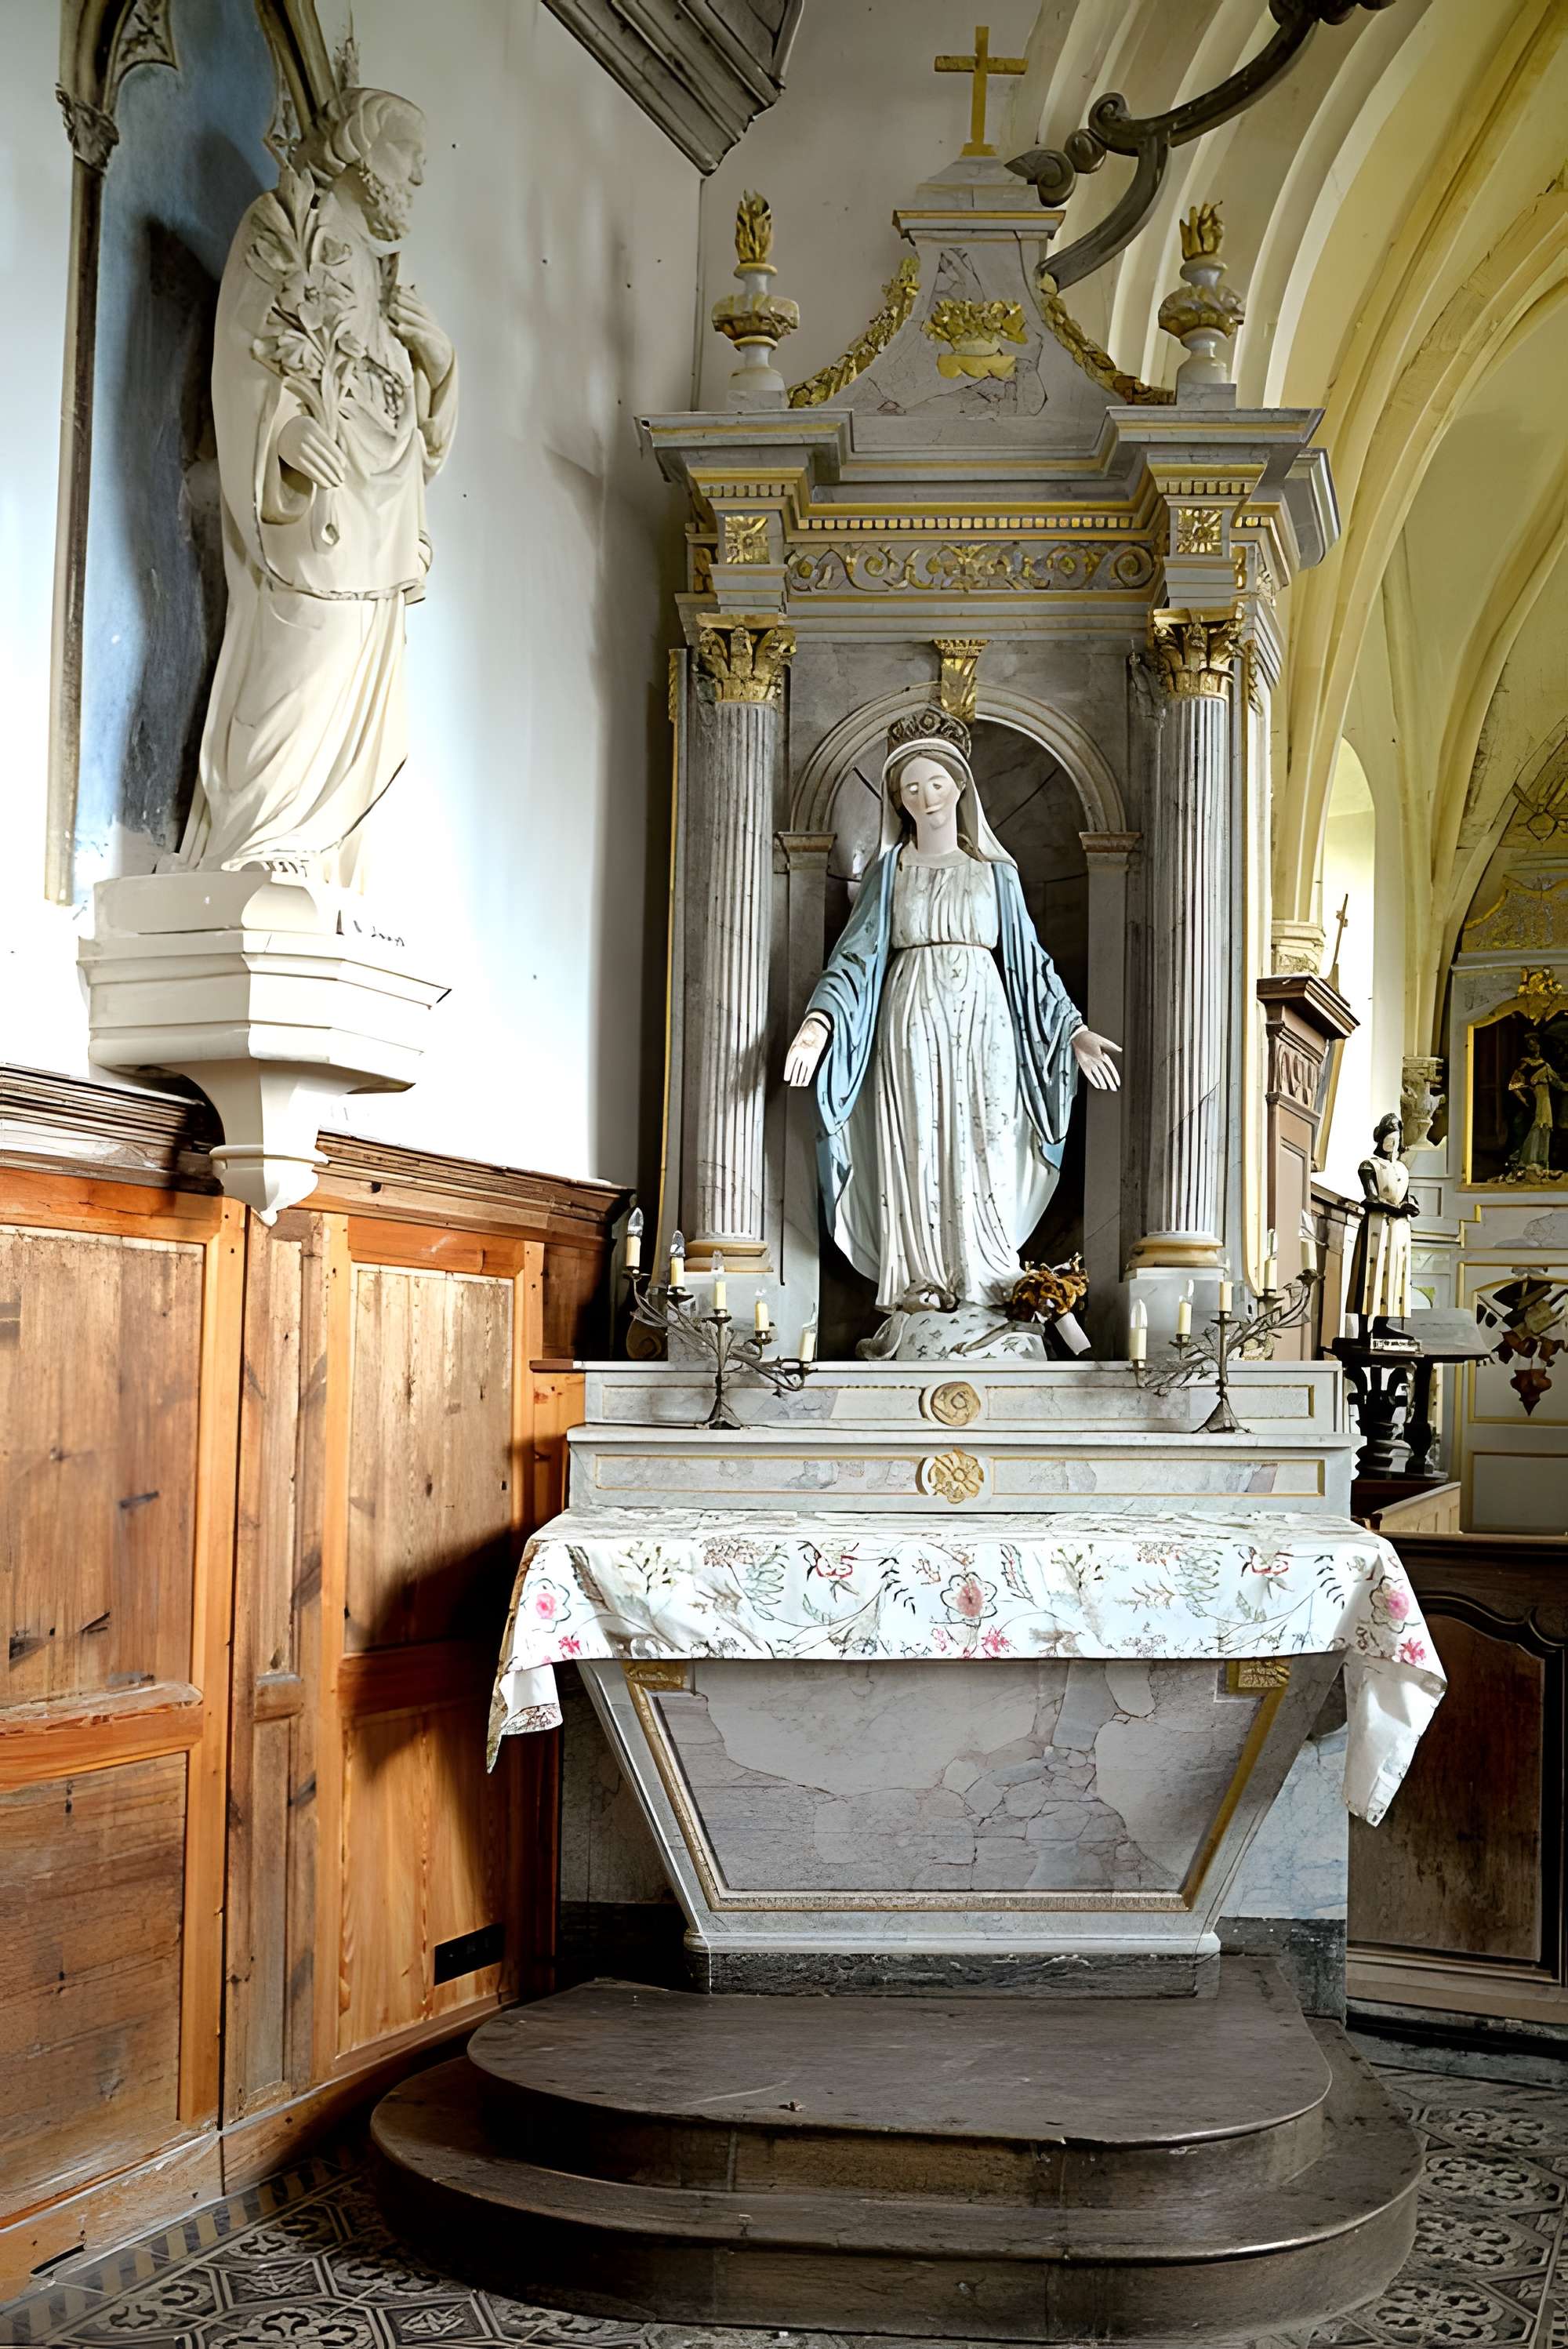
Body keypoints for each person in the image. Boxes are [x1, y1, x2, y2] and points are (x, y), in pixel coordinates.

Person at [176, 87, 458, 883]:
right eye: (410, 157)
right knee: (305, 651)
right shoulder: (282, 229)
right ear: (364, 151)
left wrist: (440, 366)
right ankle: (259, 836)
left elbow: (413, 434)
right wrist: (282, 431)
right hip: (315, 513)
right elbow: (242, 354)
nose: (419, 176)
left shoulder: (385, 276)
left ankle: (322, 856)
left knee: (360, 682)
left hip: (382, 519)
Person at [783, 708, 1120, 1347]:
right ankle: (922, 1281)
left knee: (986, 1136)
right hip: (910, 1016)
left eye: (936, 782)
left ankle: (985, 1275)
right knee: (917, 1138)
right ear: (897, 800)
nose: (925, 797)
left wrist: (1073, 1031)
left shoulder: (996, 874)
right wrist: (818, 1027)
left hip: (986, 1026)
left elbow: (1031, 966)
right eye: (911, 788)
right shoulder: (889, 873)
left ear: (960, 786)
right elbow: (853, 960)